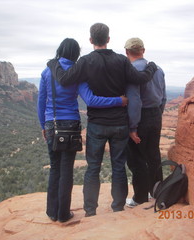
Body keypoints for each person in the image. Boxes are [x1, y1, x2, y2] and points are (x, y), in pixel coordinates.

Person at [50, 23, 158, 217]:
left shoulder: (85, 61)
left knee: (93, 168)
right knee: (118, 166)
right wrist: (151, 67)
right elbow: (141, 78)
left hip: (97, 124)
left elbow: (64, 79)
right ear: (108, 39)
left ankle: (90, 210)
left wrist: (54, 63)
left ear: (91, 40)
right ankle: (117, 207)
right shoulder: (121, 60)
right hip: (119, 124)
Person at [37, 38, 127, 222]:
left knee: (55, 168)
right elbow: (92, 100)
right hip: (70, 125)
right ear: (76, 53)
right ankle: (63, 214)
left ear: (60, 50)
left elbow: (41, 102)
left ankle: (52, 212)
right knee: (66, 170)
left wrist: (43, 125)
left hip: (51, 123)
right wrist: (119, 100)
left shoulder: (47, 72)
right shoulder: (78, 74)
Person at [124, 37, 167, 207]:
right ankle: (159, 194)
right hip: (155, 115)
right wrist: (158, 114)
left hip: (139, 117)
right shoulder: (158, 69)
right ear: (143, 50)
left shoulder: (131, 71)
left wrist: (133, 127)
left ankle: (140, 197)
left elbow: (134, 100)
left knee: (136, 159)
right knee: (153, 156)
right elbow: (163, 97)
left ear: (127, 52)